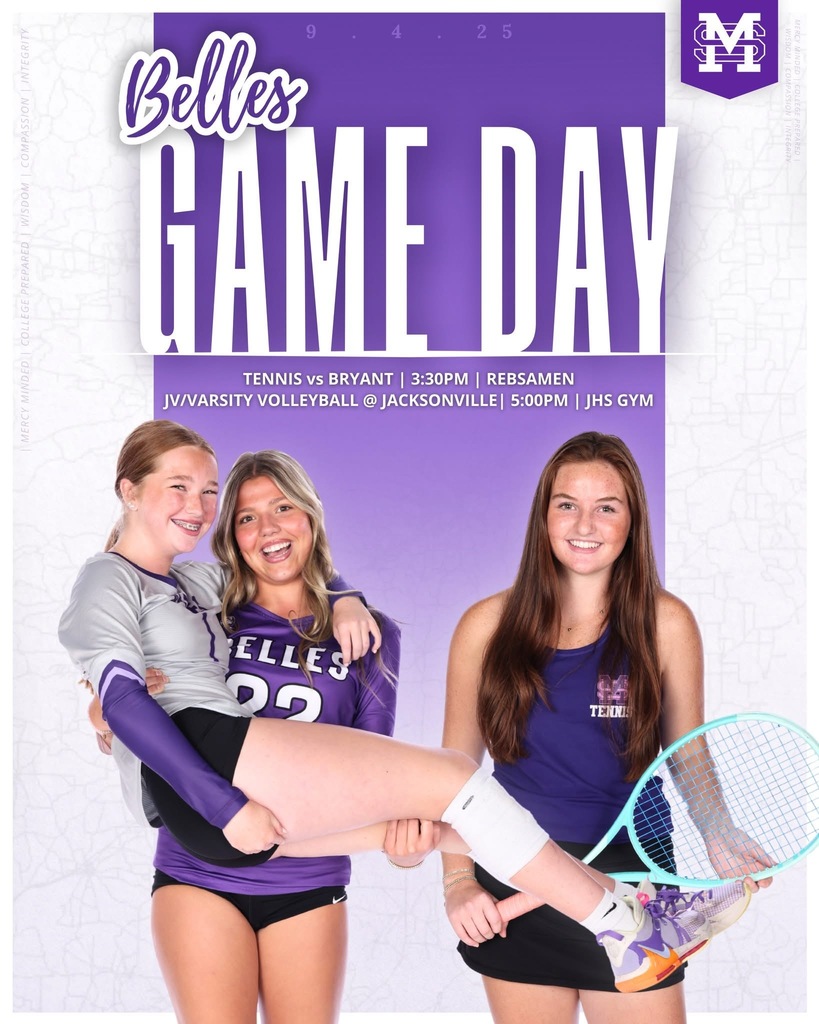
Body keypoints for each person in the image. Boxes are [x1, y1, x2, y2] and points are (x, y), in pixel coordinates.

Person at [58, 420, 751, 1010]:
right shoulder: (144, 583)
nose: (203, 508)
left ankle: (619, 915)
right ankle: (621, 920)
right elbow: (122, 690)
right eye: (225, 507)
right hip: (203, 805)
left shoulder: (196, 584)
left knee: (431, 804)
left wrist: (345, 594)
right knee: (451, 778)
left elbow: (287, 583)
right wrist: (113, 715)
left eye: (206, 492)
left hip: (286, 846)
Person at [438, 431, 766, 1024]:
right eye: (567, 504)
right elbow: (453, 777)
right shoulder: (484, 626)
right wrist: (458, 881)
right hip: (516, 873)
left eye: (606, 507)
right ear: (543, 517)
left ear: (632, 521)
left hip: (633, 883)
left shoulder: (667, 623)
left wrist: (717, 830)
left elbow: (688, 754)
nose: (584, 524)